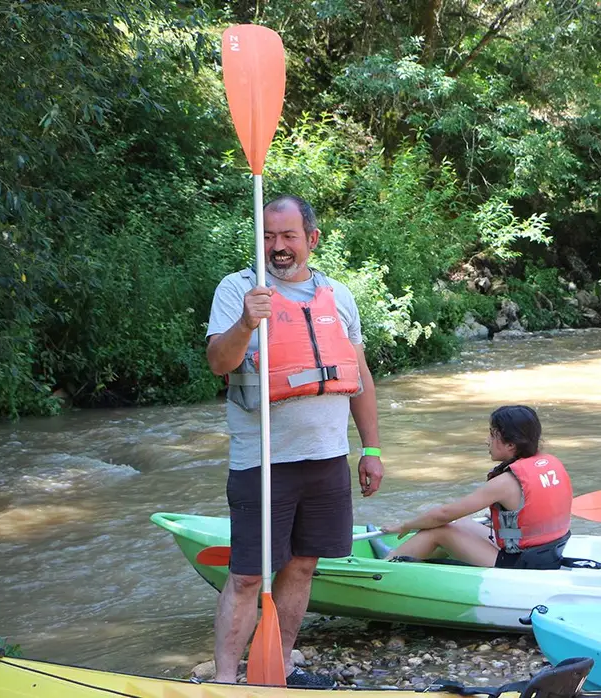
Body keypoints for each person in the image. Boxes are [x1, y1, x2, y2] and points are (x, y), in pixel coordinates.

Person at [205, 194, 384, 687]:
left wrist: (371, 449)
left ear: (311, 239)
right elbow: (219, 364)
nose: (277, 247)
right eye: (267, 236)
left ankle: (278, 663)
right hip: (262, 460)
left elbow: (360, 377)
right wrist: (246, 322)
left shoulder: (339, 296)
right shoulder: (237, 290)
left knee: (303, 566)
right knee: (246, 575)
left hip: (326, 457)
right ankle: (224, 678)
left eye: (287, 236)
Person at [377, 405, 574, 569]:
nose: (486, 441)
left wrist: (406, 525)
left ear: (511, 445)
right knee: (459, 523)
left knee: (440, 529)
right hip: (547, 554)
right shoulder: (550, 463)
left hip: (519, 564)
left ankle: (386, 566)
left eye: (492, 434)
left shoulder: (504, 483)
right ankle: (408, 557)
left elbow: (443, 514)